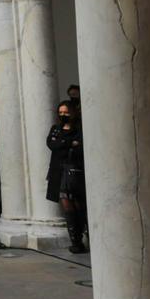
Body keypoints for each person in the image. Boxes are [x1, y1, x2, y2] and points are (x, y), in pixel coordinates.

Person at [47, 102, 89, 251]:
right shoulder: (56, 129)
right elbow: (51, 145)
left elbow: (80, 147)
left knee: (79, 204)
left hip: (76, 172)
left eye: (66, 112)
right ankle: (75, 241)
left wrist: (63, 144)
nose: (63, 115)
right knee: (66, 204)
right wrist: (70, 143)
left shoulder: (80, 129)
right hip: (59, 171)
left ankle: (85, 235)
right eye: (60, 112)